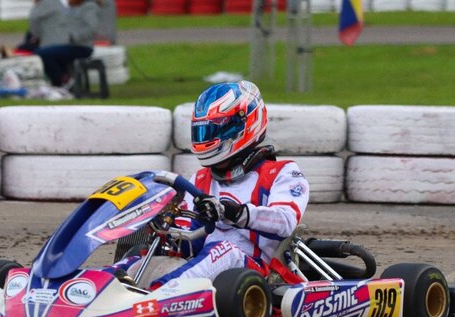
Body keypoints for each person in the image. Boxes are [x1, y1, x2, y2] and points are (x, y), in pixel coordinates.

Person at [114, 81, 310, 290]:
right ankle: (103, 286)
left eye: (214, 130)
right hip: (202, 266)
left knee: (222, 250)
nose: (208, 139)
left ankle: (158, 295)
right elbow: (188, 239)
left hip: (254, 272)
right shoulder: (199, 179)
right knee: (140, 254)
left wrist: (234, 212)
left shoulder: (283, 173)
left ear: (243, 125)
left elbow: (285, 221)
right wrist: (163, 226)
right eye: (203, 131)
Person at [30, 0, 100, 87]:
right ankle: (59, 84)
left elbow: (92, 29)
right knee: (44, 52)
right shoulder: (71, 8)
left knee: (41, 53)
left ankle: (65, 81)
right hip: (70, 45)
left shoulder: (89, 7)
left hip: (81, 47)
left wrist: (73, 37)